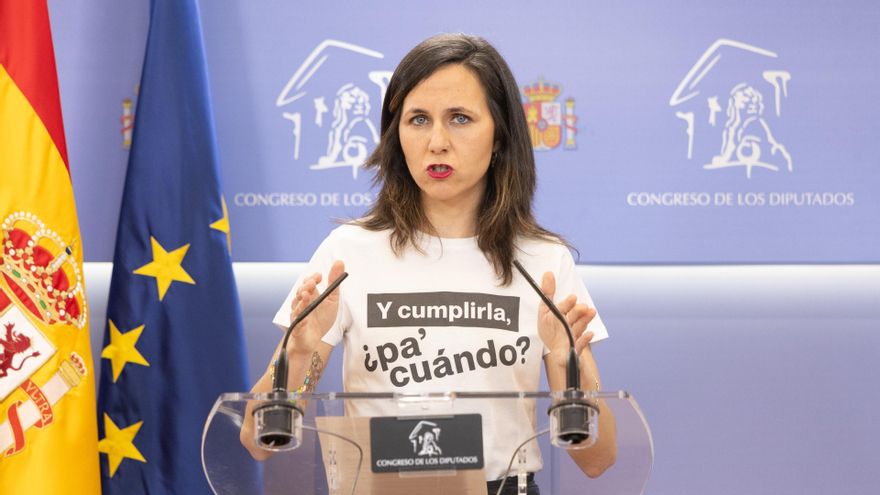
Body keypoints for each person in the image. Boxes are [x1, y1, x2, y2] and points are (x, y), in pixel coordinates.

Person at [241, 33, 616, 494]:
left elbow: (597, 460)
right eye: (418, 119)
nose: (436, 141)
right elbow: (257, 442)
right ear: (396, 136)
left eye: (460, 118)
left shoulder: (542, 263)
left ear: (500, 135)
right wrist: (299, 351)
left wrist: (565, 360)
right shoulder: (349, 252)